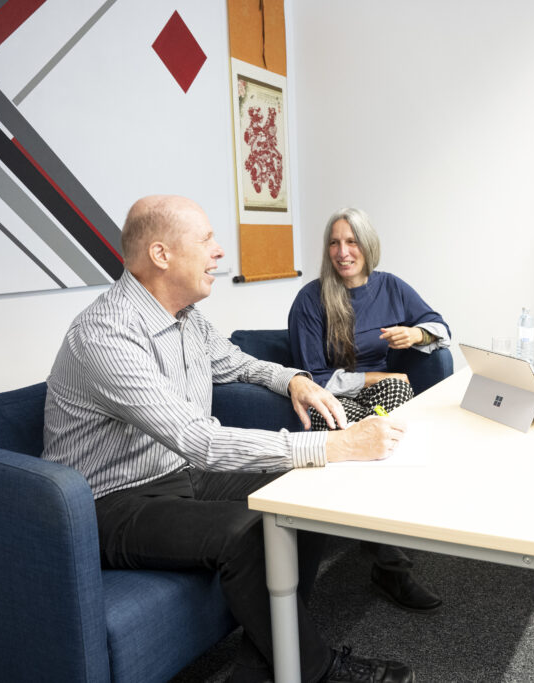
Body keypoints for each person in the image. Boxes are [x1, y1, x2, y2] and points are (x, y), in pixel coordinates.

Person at [42, 195, 415, 683]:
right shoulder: (105, 335)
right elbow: (200, 441)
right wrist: (334, 445)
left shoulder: (186, 319)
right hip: (110, 504)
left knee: (299, 494)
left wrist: (294, 380)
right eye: (206, 240)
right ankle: (316, 671)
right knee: (250, 533)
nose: (219, 252)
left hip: (179, 475)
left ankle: (258, 669)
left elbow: (238, 363)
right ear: (161, 255)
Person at [288, 207, 450, 613]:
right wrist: (376, 379)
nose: (343, 252)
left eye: (351, 241)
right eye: (334, 243)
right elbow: (315, 377)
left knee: (390, 418)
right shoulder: (311, 298)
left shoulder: (391, 286)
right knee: (389, 410)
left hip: (382, 402)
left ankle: (386, 542)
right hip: (335, 401)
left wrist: (416, 332)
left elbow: (442, 330)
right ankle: (391, 562)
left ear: (367, 246)